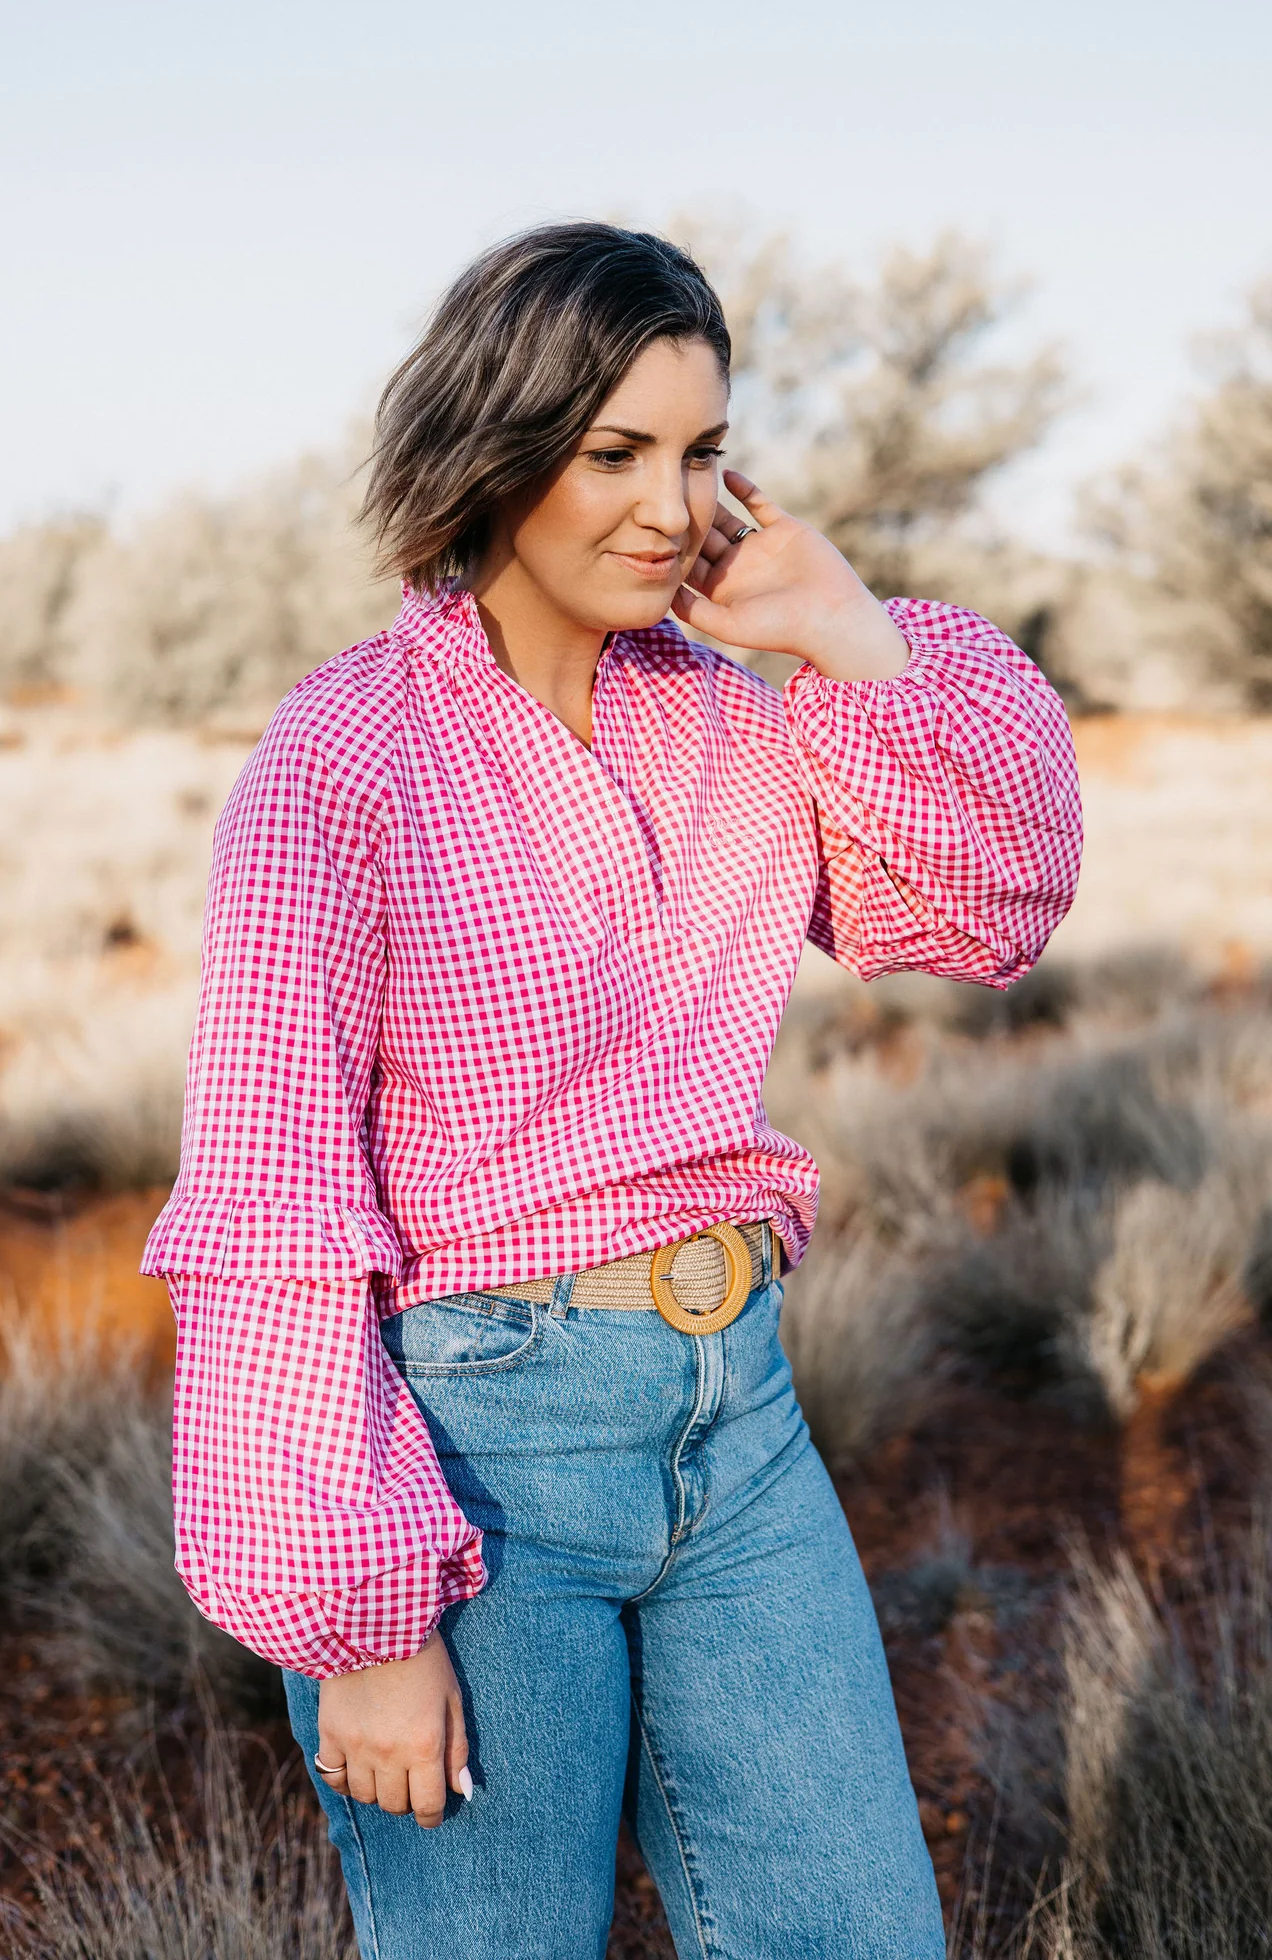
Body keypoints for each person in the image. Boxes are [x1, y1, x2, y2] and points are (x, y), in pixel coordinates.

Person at [143, 222, 1082, 1958]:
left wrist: (846, 631)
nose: (670, 507)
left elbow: (984, 908)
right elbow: (271, 1199)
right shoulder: (343, 763)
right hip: (473, 1453)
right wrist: (367, 1626)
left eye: (703, 452)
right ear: (496, 452)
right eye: (614, 453)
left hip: (744, 1422)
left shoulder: (734, 722)